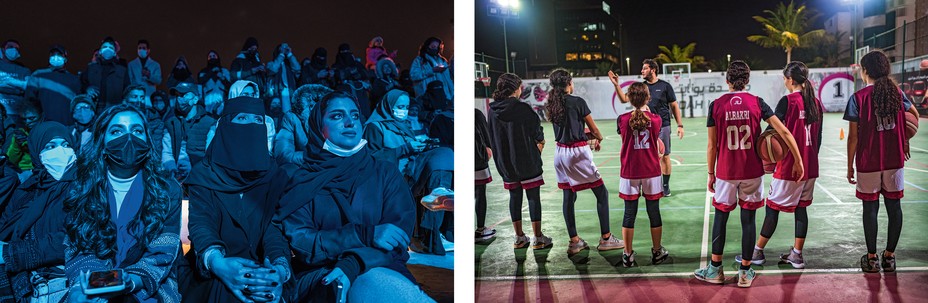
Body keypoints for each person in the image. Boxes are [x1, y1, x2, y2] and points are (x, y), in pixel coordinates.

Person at [275, 91, 433, 302]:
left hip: (380, 266)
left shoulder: (384, 173)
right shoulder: (301, 179)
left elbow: (397, 239)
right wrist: (363, 235)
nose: (350, 122)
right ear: (318, 127)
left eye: (355, 115)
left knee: (373, 282)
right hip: (322, 274)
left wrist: (354, 262)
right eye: (337, 116)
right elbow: (304, 243)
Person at [694, 61, 803, 288]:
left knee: (721, 218)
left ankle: (715, 269)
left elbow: (712, 145)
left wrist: (710, 173)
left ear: (727, 80)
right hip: (752, 171)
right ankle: (745, 272)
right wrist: (798, 159)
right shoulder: (757, 103)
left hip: (726, 171)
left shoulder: (716, 105)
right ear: (747, 80)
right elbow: (782, 130)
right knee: (748, 220)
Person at [63, 104, 182, 302]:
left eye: (137, 130)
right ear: (102, 141)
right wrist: (84, 287)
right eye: (117, 131)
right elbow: (79, 245)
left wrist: (130, 281)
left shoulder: (167, 189)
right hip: (92, 278)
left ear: (147, 140)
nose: (128, 138)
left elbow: (162, 253)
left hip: (146, 283)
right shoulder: (82, 186)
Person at [183, 96, 290, 303]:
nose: (251, 125)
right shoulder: (204, 175)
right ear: (225, 126)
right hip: (213, 270)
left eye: (258, 120)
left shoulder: (274, 174)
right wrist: (218, 263)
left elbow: (273, 228)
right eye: (242, 118)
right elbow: (202, 226)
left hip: (262, 268)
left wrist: (277, 268)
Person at [735, 61, 824, 269]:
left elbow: (772, 134)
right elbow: (818, 139)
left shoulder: (788, 102)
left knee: (772, 209)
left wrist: (767, 156)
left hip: (790, 166)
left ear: (790, 80)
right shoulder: (816, 103)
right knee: (801, 210)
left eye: (785, 78)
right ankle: (797, 254)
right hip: (811, 166)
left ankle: (757, 252)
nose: (784, 82)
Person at [844, 50, 920, 273]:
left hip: (869, 160)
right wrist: (904, 139)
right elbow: (913, 116)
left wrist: (849, 165)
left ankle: (872, 258)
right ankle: (889, 256)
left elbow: (853, 137)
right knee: (894, 207)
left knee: (870, 209)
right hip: (893, 159)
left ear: (865, 70)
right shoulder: (896, 92)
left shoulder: (858, 98)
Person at [363, 90, 453, 255]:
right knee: (442, 158)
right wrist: (405, 148)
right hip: (394, 176)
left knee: (444, 158)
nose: (403, 110)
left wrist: (420, 146)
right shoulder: (374, 127)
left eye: (406, 106)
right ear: (388, 106)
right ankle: (432, 235)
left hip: (411, 170)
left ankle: (435, 234)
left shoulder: (405, 125)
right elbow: (371, 158)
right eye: (400, 106)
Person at [545, 69, 622, 255]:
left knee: (568, 197)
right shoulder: (578, 102)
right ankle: (606, 238)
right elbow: (594, 129)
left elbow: (570, 131)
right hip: (577, 154)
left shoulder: (551, 103)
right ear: (568, 83)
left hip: (560, 153)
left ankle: (574, 241)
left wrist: (587, 137)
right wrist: (598, 138)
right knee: (601, 193)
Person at [0, 121, 74, 303]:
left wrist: (12, 253)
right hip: (22, 278)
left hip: (56, 281)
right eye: (50, 146)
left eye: (66, 145)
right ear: (36, 151)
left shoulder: (82, 188)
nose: (60, 152)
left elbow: (72, 240)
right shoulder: (27, 189)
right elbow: (5, 224)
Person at [487, 73, 552, 250]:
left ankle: (519, 237)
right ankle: (538, 238)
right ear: (516, 88)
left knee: (514, 197)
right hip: (527, 160)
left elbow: (490, 136)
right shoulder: (523, 109)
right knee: (533, 197)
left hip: (505, 163)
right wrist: (539, 146)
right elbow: (537, 132)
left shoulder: (492, 111)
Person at [609, 59, 684, 197]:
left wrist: (680, 125)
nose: (642, 71)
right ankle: (647, 184)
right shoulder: (641, 88)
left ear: (653, 70)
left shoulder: (665, 86)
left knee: (664, 155)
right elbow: (624, 99)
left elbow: (674, 106)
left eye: (644, 68)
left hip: (663, 125)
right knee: (646, 157)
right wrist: (616, 85)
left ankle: (665, 185)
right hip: (644, 125)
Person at [614, 82, 669, 267]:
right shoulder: (656, 119)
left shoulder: (622, 119)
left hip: (630, 171)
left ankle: (628, 254)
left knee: (629, 214)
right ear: (648, 98)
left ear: (628, 98)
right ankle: (657, 251)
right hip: (651, 171)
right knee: (654, 212)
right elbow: (656, 140)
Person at [162, 82, 213, 181]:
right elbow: (167, 152)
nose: (179, 99)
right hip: (178, 180)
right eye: (177, 95)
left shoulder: (209, 123)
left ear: (195, 99)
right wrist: (172, 169)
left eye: (184, 95)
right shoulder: (171, 124)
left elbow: (212, 156)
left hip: (203, 180)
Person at [274, 84, 332, 166]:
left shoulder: (337, 118)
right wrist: (312, 157)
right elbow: (283, 154)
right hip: (306, 167)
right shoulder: (292, 118)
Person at [24, 45, 81, 126]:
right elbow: (29, 101)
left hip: (67, 125)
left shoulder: (74, 79)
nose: (56, 57)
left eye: (59, 55)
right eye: (53, 55)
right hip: (44, 124)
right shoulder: (39, 75)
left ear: (65, 59)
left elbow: (77, 103)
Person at [81, 37, 130, 114]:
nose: (107, 49)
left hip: (114, 109)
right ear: (100, 51)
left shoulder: (122, 70)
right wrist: (87, 88)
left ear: (114, 53)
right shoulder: (91, 68)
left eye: (110, 47)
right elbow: (82, 83)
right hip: (93, 109)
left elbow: (127, 89)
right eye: (105, 47)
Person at [331, 44, 370, 119]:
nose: (346, 54)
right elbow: (337, 77)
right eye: (343, 51)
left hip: (359, 93)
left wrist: (352, 73)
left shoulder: (357, 64)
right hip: (344, 93)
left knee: (363, 113)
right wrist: (351, 72)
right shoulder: (336, 66)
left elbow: (365, 74)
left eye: (347, 51)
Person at [475, 109, 495, 242]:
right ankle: (480, 228)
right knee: (480, 193)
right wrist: (488, 148)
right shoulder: (475, 113)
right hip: (477, 157)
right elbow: (486, 134)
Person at [6, 103, 43, 175]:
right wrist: (17, 145)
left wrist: (29, 143)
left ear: (42, 116)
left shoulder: (48, 132)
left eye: (32, 118)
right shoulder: (21, 133)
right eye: (24, 119)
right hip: (23, 170)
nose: (27, 122)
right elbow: (11, 161)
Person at [0, 40, 31, 117]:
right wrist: (18, 90)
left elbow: (29, 87)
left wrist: (8, 82)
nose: (14, 50)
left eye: (16, 48)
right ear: (3, 49)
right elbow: (23, 87)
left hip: (18, 114)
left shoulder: (24, 70)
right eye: (10, 47)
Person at [266, 43, 301, 112]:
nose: (284, 50)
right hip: (277, 92)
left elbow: (297, 68)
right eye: (282, 48)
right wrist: (281, 55)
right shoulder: (271, 63)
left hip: (290, 91)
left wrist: (290, 54)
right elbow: (273, 69)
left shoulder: (289, 66)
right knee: (278, 113)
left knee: (289, 113)